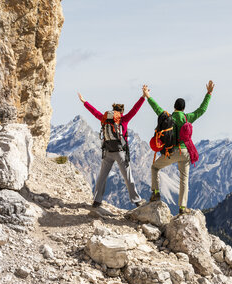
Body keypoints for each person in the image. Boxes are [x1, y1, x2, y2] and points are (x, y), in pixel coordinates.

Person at [143, 80, 215, 214]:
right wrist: (209, 93)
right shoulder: (188, 118)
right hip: (186, 152)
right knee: (184, 179)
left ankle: (156, 193)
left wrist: (147, 95)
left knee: (155, 167)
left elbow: (156, 107)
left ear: (174, 107)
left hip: (171, 152)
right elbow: (202, 110)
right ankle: (182, 208)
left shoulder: (167, 117)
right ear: (183, 108)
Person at [77, 88, 146, 208]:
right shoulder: (123, 120)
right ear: (121, 112)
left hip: (107, 151)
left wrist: (84, 102)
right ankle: (136, 200)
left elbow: (94, 112)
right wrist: (143, 97)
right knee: (128, 177)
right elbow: (135, 109)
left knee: (102, 177)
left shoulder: (105, 119)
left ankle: (97, 201)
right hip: (120, 153)